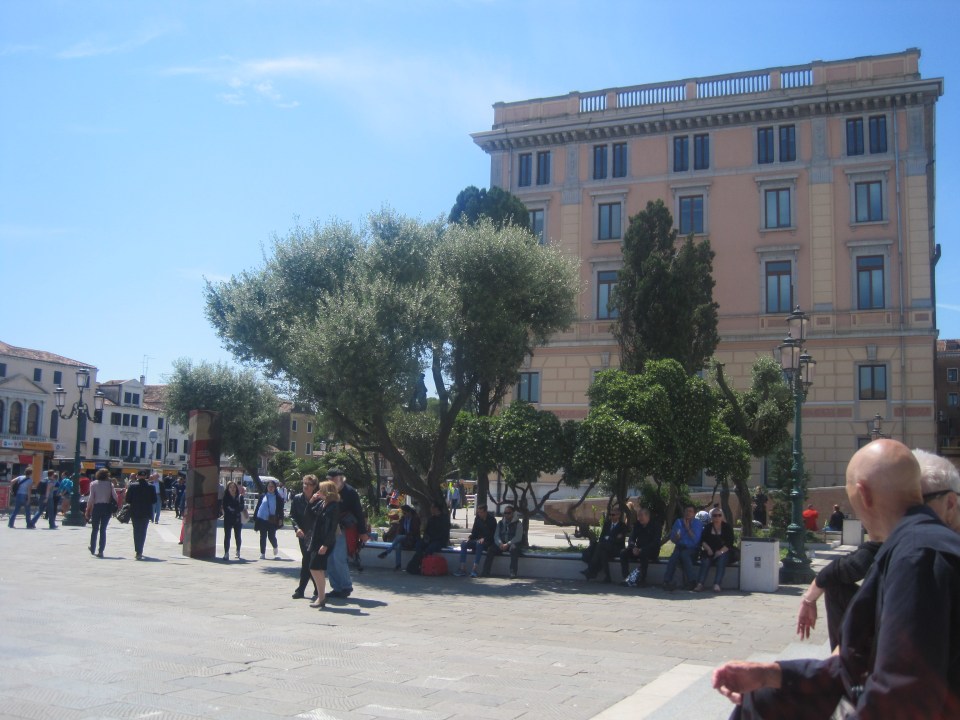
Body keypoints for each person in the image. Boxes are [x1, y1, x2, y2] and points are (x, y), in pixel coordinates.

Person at [713, 439, 960, 718]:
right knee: (761, 697)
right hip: (872, 693)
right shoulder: (910, 547)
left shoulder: (918, 556)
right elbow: (858, 665)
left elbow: (903, 695)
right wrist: (772, 674)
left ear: (864, 495)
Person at [325, 468, 369, 599]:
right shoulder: (327, 490)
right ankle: (336, 587)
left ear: (340, 478)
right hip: (329, 528)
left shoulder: (350, 492)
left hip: (343, 529)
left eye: (333, 479)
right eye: (329, 479)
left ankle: (346, 586)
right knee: (329, 559)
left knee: (338, 557)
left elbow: (358, 512)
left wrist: (362, 532)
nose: (331, 482)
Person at [307, 480, 341, 610]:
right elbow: (309, 514)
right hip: (316, 539)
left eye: (321, 490)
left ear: (327, 492)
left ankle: (321, 597)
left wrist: (326, 544)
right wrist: (311, 501)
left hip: (325, 541)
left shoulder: (334, 506)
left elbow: (332, 527)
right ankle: (321, 596)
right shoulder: (321, 503)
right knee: (317, 568)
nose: (318, 492)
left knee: (314, 567)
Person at [289, 475, 322, 597]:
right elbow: (292, 516)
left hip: (316, 534)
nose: (305, 486)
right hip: (303, 534)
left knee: (309, 560)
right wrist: (297, 528)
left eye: (308, 484)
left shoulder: (319, 499)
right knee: (307, 559)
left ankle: (302, 589)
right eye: (304, 484)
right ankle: (315, 588)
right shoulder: (297, 498)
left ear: (314, 486)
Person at [662, 504, 703, 591]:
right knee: (674, 557)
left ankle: (692, 581)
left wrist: (687, 528)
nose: (688, 513)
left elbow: (696, 540)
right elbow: (673, 540)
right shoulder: (678, 522)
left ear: (694, 513)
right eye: (686, 511)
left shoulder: (697, 523)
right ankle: (667, 581)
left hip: (693, 549)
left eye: (690, 511)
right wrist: (676, 537)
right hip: (680, 547)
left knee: (684, 555)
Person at [581, 506, 628, 583]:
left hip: (616, 549)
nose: (611, 516)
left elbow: (619, 540)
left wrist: (608, 538)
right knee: (603, 553)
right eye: (610, 514)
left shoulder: (622, 526)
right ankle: (607, 577)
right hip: (606, 548)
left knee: (600, 546)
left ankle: (591, 569)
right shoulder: (607, 524)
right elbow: (601, 538)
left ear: (618, 515)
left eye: (613, 515)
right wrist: (611, 538)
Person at [695, 508, 736, 592]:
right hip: (709, 551)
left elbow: (729, 543)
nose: (717, 517)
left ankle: (717, 584)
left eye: (719, 515)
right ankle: (700, 584)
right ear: (711, 517)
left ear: (722, 517)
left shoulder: (727, 527)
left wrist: (720, 552)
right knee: (705, 561)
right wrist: (708, 549)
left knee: (721, 560)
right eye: (715, 515)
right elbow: (702, 541)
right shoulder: (708, 527)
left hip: (723, 551)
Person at [620, 506, 661, 587]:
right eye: (638, 516)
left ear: (647, 516)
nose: (639, 518)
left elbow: (655, 542)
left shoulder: (656, 525)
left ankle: (642, 580)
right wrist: (633, 547)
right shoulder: (637, 525)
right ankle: (627, 578)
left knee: (643, 554)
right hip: (638, 549)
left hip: (651, 551)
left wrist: (642, 549)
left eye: (641, 516)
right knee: (623, 553)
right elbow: (631, 539)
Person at [406, 501, 450, 574]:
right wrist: (426, 538)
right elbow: (426, 531)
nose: (430, 509)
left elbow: (443, 534)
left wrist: (432, 539)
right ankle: (414, 566)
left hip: (439, 541)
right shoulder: (431, 519)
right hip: (430, 540)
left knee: (430, 548)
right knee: (419, 545)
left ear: (436, 509)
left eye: (432, 507)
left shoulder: (444, 519)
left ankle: (419, 565)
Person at [481, 505, 523, 579]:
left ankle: (513, 572)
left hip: (512, 543)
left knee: (514, 549)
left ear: (513, 513)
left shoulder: (518, 523)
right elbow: (496, 535)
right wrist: (500, 543)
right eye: (505, 513)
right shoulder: (500, 523)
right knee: (491, 549)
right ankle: (485, 571)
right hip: (502, 544)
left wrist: (508, 544)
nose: (506, 515)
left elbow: (518, 537)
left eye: (508, 513)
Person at [454, 504, 495, 577]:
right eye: (478, 512)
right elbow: (474, 532)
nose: (479, 514)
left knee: (479, 544)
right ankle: (462, 568)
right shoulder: (477, 519)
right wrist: (469, 538)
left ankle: (474, 569)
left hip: (487, 542)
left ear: (485, 512)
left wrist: (484, 538)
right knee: (464, 544)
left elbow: (493, 534)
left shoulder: (492, 520)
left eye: (481, 512)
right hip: (477, 540)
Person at [85, 468, 119, 558]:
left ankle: (92, 548)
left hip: (97, 507)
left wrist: (88, 510)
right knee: (103, 529)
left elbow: (91, 498)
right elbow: (115, 497)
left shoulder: (93, 484)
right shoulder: (110, 484)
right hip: (107, 508)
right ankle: (101, 551)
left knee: (94, 529)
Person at [125, 470, 157, 560]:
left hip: (135, 511)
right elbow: (154, 500)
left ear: (137, 476)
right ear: (146, 476)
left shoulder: (132, 486)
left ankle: (137, 550)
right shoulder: (151, 487)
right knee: (143, 531)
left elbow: (128, 499)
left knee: (136, 531)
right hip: (146, 512)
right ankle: (140, 550)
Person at [378, 504, 421, 570]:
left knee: (399, 537)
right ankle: (398, 565)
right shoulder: (403, 519)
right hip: (405, 539)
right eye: (403, 513)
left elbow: (415, 532)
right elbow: (400, 530)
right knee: (398, 545)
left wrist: (406, 535)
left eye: (405, 513)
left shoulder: (415, 519)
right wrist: (401, 533)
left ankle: (387, 552)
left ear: (409, 512)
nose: (404, 515)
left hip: (413, 539)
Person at [253, 480, 284, 560]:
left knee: (271, 536)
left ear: (275, 488)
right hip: (262, 519)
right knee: (262, 536)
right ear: (266, 487)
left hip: (272, 520)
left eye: (272, 486)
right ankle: (262, 553)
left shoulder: (278, 497)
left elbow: (281, 510)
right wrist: (255, 516)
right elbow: (258, 506)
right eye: (269, 486)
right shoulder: (263, 496)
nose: (270, 488)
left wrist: (281, 519)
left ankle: (275, 546)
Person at [221, 480, 245, 561]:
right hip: (228, 519)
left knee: (237, 535)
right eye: (230, 487)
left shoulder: (240, 497)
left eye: (234, 487)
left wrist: (233, 509)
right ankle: (226, 553)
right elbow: (225, 507)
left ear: (236, 488)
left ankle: (238, 550)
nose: (232, 489)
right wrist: (232, 509)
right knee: (227, 536)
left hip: (237, 519)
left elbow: (241, 507)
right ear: (228, 489)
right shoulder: (225, 497)